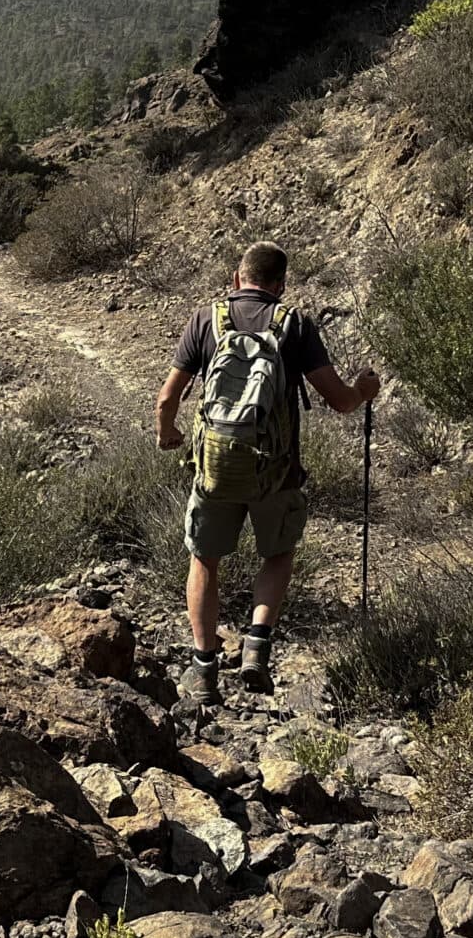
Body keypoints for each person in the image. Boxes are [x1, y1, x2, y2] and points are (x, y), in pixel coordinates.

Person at [154, 241, 380, 705]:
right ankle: (256, 647)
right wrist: (364, 390)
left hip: (215, 467)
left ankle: (203, 670)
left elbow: (166, 398)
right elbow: (339, 400)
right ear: (279, 286)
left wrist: (167, 433)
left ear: (237, 279)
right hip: (275, 469)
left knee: (204, 560)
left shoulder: (205, 319)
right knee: (278, 553)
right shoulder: (294, 323)